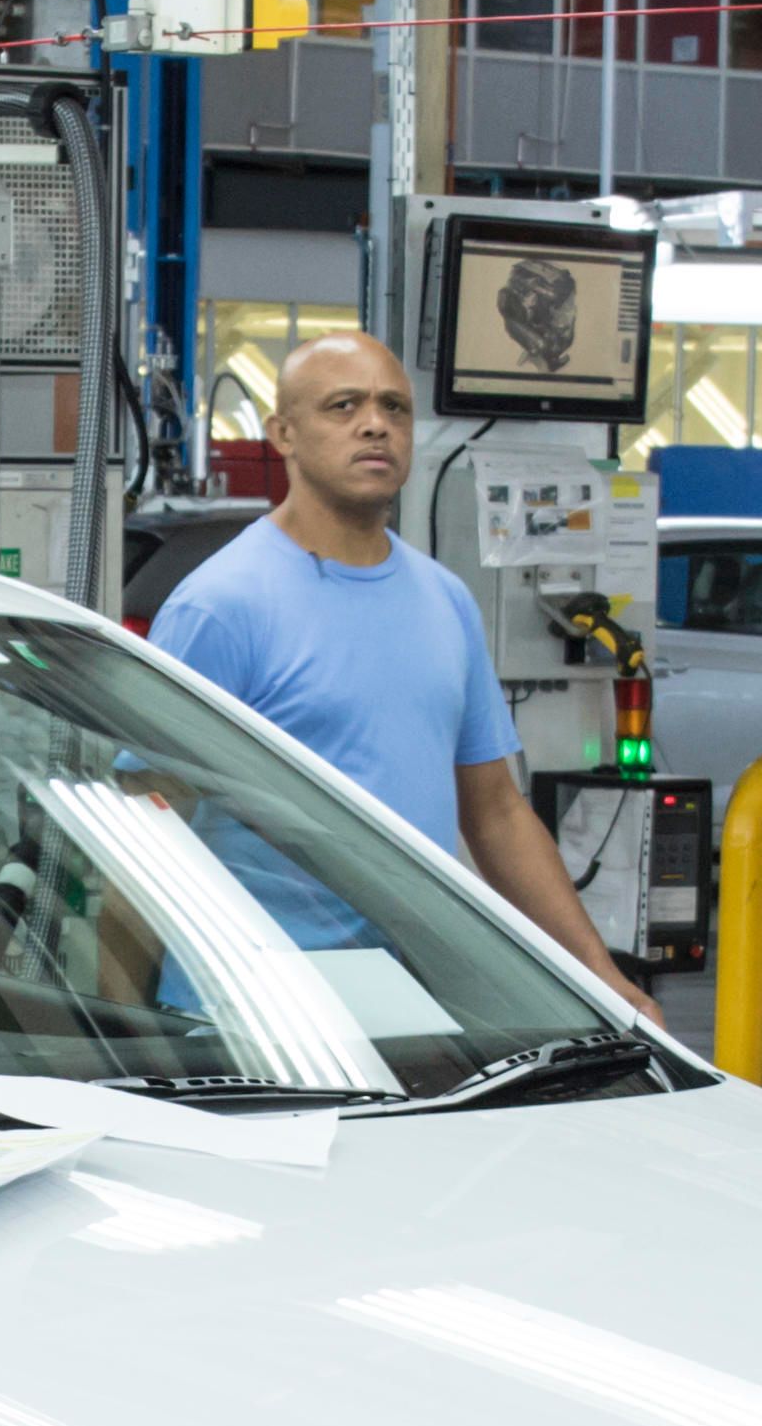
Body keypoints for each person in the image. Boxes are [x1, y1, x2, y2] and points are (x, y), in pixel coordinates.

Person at [147, 334, 659, 1020]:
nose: (374, 424)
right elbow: (151, 819)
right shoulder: (222, 605)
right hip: (256, 1007)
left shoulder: (444, 600)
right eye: (343, 405)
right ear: (283, 434)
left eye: (395, 407)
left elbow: (497, 812)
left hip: (405, 1005)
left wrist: (602, 976)